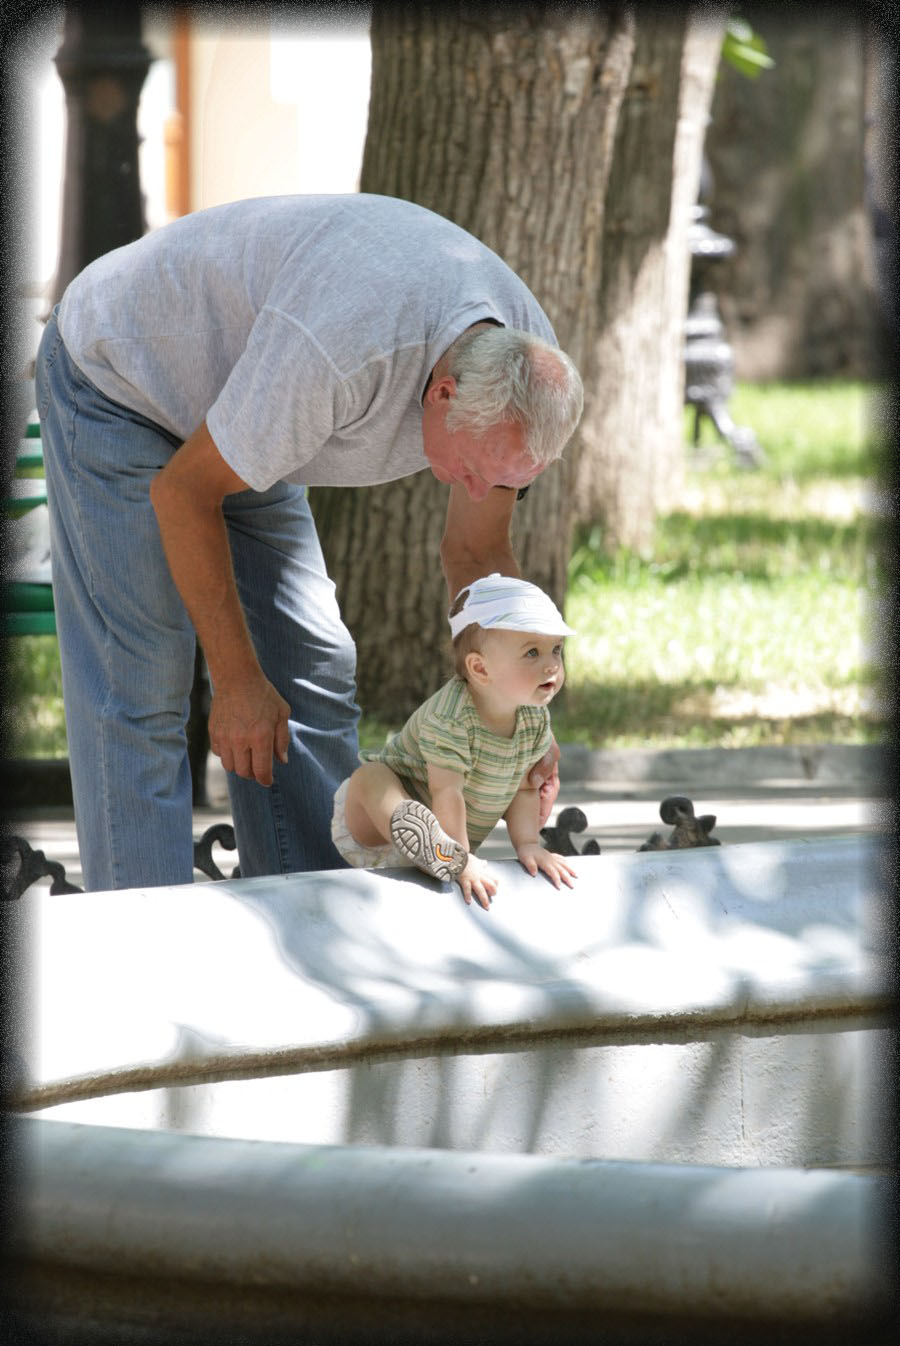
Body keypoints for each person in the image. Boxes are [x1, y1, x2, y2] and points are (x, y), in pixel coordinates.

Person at [35, 193, 583, 892]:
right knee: (143, 682)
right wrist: (234, 682)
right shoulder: (344, 352)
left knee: (313, 663)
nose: (481, 492)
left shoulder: (524, 372)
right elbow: (184, 494)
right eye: (474, 471)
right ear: (443, 393)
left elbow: (477, 557)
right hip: (119, 379)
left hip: (245, 398)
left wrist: (521, 711)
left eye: (507, 480)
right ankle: (146, 943)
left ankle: (312, 920)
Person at [331, 574, 578, 910]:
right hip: (376, 828)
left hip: (444, 837)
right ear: (480, 668)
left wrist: (529, 844)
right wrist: (460, 856)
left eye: (556, 649)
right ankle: (437, 847)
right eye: (532, 652)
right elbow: (448, 792)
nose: (551, 664)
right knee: (372, 777)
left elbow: (525, 789)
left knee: (481, 809)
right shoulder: (451, 718)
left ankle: (439, 851)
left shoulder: (534, 721)